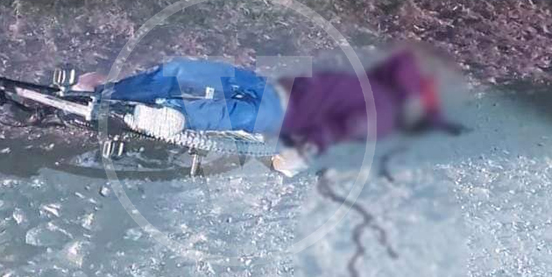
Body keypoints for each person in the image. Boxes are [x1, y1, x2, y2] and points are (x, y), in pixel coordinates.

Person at [74, 50, 466, 176]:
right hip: (267, 86)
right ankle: (112, 91)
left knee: (232, 112)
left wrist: (291, 158)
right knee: (183, 71)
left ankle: (164, 114)